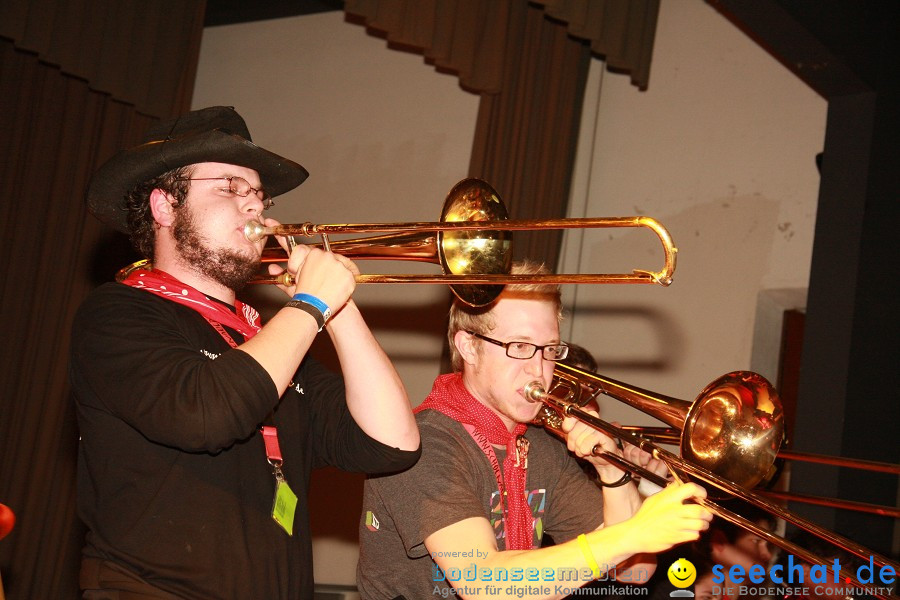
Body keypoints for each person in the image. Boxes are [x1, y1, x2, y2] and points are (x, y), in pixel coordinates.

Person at [70, 106, 421, 599]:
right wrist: (311, 304)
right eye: (230, 187)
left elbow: (392, 444)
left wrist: (339, 309)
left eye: (258, 194)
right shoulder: (118, 313)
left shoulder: (262, 338)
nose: (255, 206)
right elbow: (207, 413)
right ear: (165, 206)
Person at [357, 261, 714, 600]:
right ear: (469, 346)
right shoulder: (424, 443)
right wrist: (631, 534)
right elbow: (483, 582)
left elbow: (634, 571)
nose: (539, 370)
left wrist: (613, 471)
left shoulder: (538, 447)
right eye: (521, 347)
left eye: (549, 350)